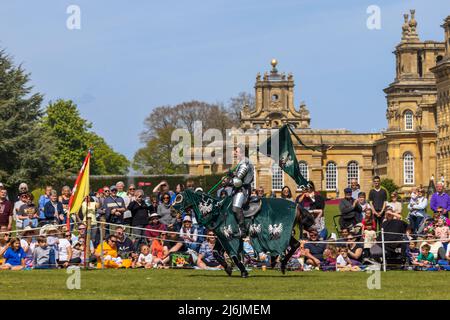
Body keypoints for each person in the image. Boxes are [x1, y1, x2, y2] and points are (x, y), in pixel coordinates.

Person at [229, 144, 254, 238]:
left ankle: (242, 230)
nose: (235, 153)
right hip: (238, 189)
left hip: (243, 190)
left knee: (235, 208)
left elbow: (238, 180)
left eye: (237, 151)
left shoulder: (244, 163)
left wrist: (229, 180)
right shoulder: (242, 163)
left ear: (242, 152)